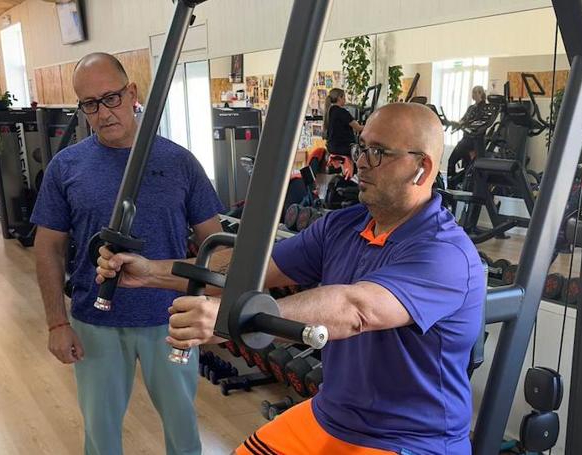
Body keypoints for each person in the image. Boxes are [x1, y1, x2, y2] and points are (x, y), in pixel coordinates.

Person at [96, 103, 486, 455]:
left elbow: (356, 309)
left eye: (378, 152)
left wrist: (233, 319)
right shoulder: (342, 226)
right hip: (329, 416)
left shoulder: (445, 254)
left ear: (423, 168)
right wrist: (150, 273)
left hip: (410, 441)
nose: (361, 162)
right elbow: (246, 273)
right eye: (361, 147)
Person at [31, 52, 225, 455]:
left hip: (170, 322)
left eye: (111, 98)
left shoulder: (180, 162)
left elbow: (216, 244)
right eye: (89, 104)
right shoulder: (66, 167)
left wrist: (214, 311)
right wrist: (55, 323)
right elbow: (47, 247)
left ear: (132, 93)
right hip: (95, 325)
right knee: (100, 439)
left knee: (184, 435)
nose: (102, 113)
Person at [447, 85, 488, 189]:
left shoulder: (485, 108)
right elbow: (463, 120)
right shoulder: (471, 108)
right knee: (451, 161)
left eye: (476, 92)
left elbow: (480, 125)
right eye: (472, 92)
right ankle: (450, 187)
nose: (473, 94)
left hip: (475, 143)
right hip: (465, 140)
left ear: (481, 94)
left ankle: (464, 186)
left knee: (470, 169)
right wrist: (455, 123)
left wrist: (474, 150)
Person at [323, 88, 364, 179]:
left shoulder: (330, 111)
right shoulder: (342, 112)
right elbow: (358, 128)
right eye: (344, 97)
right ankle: (354, 178)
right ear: (339, 98)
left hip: (332, 147)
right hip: (343, 147)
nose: (345, 100)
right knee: (364, 153)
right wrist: (370, 126)